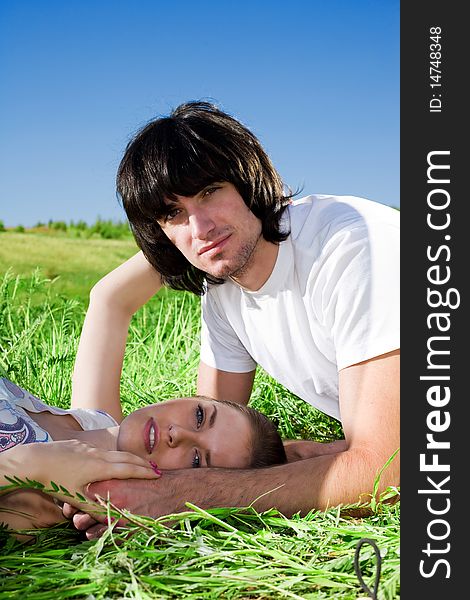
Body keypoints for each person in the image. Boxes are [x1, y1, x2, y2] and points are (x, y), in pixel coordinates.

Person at [65, 100, 400, 538]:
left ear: (248, 181)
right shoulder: (223, 289)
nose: (200, 227)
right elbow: (216, 435)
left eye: (209, 191)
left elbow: (386, 474)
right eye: (172, 213)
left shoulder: (350, 247)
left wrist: (185, 497)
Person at [0, 375, 286, 532]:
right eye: (199, 415)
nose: (179, 434)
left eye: (197, 460)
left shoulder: (44, 501)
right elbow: (110, 300)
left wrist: (28, 465)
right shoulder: (98, 422)